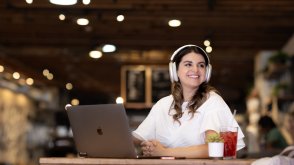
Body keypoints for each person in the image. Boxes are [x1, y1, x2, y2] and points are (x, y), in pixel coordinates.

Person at [132, 44, 245, 158]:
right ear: (174, 70)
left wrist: (165, 152)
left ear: (207, 72)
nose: (195, 69)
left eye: (201, 65)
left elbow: (213, 149)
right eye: (188, 64)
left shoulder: (212, 101)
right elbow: (138, 137)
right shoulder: (163, 104)